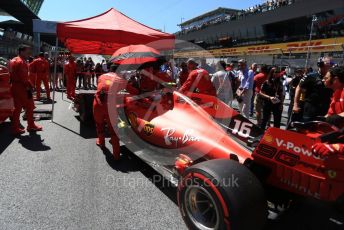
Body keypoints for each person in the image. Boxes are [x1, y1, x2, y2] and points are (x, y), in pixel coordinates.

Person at [93, 64, 138, 160]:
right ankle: (116, 155)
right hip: (110, 106)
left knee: (99, 125)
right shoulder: (121, 80)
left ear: (109, 69)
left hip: (97, 104)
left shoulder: (101, 76)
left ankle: (101, 142)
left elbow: (103, 86)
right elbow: (134, 91)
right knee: (113, 130)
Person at [9, 45, 42, 135]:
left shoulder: (13, 60)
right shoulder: (21, 62)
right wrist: (31, 87)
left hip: (14, 86)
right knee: (30, 106)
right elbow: (24, 79)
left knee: (17, 108)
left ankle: (15, 128)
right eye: (27, 52)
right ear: (22, 51)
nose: (29, 54)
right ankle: (31, 125)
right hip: (22, 88)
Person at [293, 57, 333, 121]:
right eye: (330, 63)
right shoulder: (310, 76)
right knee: (307, 129)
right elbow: (299, 87)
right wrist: (295, 104)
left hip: (325, 109)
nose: (332, 65)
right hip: (310, 109)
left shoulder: (332, 77)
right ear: (321, 64)